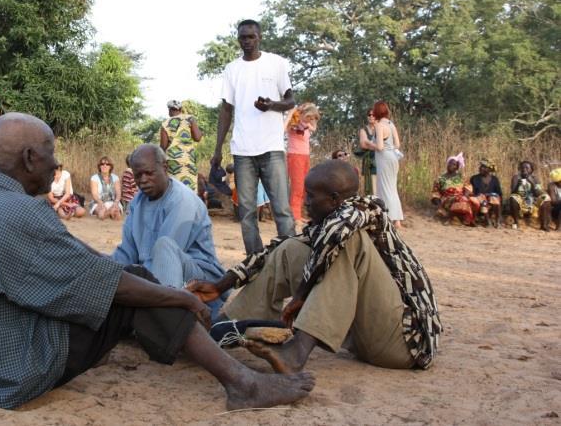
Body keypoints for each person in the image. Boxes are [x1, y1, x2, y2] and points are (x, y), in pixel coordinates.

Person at [0, 113, 315, 410]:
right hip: (2, 373)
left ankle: (209, 352)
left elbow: (85, 261)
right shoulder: (22, 212)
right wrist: (180, 299)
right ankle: (243, 385)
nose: (56, 162)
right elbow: (113, 276)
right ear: (30, 158)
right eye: (51, 152)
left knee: (134, 282)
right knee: (136, 291)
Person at [188, 160, 442, 373]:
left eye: (311, 196)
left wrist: (300, 296)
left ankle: (296, 353)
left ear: (334, 199)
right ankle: (224, 330)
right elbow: (274, 251)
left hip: (402, 344)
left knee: (348, 242)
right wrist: (221, 285)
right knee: (289, 249)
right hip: (363, 339)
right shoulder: (326, 221)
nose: (306, 201)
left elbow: (338, 233)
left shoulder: (362, 211)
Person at [211, 19, 296, 255]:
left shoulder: (276, 64)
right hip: (242, 150)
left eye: (251, 37)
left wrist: (271, 105)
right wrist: (218, 150)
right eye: (242, 37)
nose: (246, 41)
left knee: (281, 208)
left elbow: (290, 101)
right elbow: (226, 109)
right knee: (246, 212)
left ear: (259, 37)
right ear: (238, 39)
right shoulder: (232, 69)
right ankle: (255, 262)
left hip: (271, 147)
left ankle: (289, 259)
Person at [113, 144, 227, 317]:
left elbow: (163, 259)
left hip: (197, 277)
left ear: (164, 167)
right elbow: (126, 253)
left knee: (164, 247)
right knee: (106, 267)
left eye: (149, 173)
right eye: (138, 175)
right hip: (153, 275)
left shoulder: (182, 200)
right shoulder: (137, 202)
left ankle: (168, 321)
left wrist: (132, 284)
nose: (143, 180)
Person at [284, 103, 319, 229]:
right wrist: (296, 112)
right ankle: (294, 216)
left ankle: (298, 214)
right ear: (302, 114)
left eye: (312, 118)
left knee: (304, 187)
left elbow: (314, 127)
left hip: (305, 156)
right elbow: (290, 127)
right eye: (309, 117)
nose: (310, 120)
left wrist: (311, 115)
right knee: (297, 187)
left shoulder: (307, 125)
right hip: (295, 156)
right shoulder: (294, 123)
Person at [372, 101, 404, 228]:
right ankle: (397, 220)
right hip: (393, 157)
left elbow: (379, 146)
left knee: (384, 187)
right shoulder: (391, 124)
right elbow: (397, 144)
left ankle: (388, 217)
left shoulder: (379, 125)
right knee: (392, 188)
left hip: (384, 157)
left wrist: (369, 144)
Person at [160, 100, 203, 192]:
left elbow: (163, 147)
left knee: (174, 190)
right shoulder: (190, 119)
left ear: (170, 110)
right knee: (189, 189)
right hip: (188, 160)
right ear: (180, 109)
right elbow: (197, 138)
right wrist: (200, 133)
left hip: (172, 161)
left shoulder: (165, 124)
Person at [430, 153, 478, 227]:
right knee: (459, 200)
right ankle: (459, 218)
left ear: (457, 167)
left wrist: (465, 196)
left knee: (473, 200)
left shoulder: (462, 177)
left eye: (454, 164)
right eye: (450, 163)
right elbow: (435, 192)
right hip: (447, 199)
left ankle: (462, 218)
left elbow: (468, 188)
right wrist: (438, 202)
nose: (451, 166)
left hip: (461, 197)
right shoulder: (440, 178)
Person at [509, 161, 551, 231]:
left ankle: (544, 224)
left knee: (546, 197)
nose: (524, 169)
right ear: (520, 169)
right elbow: (512, 192)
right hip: (521, 201)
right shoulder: (516, 177)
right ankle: (516, 222)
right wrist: (518, 185)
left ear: (531, 170)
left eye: (527, 168)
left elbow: (538, 193)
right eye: (523, 167)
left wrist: (531, 182)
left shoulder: (535, 178)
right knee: (513, 197)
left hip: (533, 201)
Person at [469, 159, 503, 228]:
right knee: (482, 197)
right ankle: (488, 221)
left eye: (484, 167)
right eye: (481, 166)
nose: (481, 168)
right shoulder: (474, 178)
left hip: (491, 200)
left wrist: (490, 195)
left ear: (489, 169)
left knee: (494, 197)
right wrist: (483, 195)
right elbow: (473, 192)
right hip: (479, 200)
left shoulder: (494, 179)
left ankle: (497, 220)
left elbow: (499, 193)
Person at [90, 156, 122, 220]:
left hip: (113, 201)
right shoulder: (94, 178)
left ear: (110, 167)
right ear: (99, 166)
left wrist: (115, 203)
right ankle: (109, 212)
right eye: (102, 164)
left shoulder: (115, 178)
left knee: (117, 216)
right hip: (98, 202)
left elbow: (118, 193)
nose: (104, 166)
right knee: (101, 215)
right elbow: (94, 195)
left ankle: (110, 212)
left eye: (107, 164)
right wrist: (101, 204)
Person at [356, 110, 378, 196]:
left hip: (381, 159)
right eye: (369, 115)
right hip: (369, 160)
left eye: (373, 115)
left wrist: (369, 144)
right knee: (371, 185)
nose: (371, 116)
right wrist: (377, 147)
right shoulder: (363, 130)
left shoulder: (380, 128)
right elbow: (363, 145)